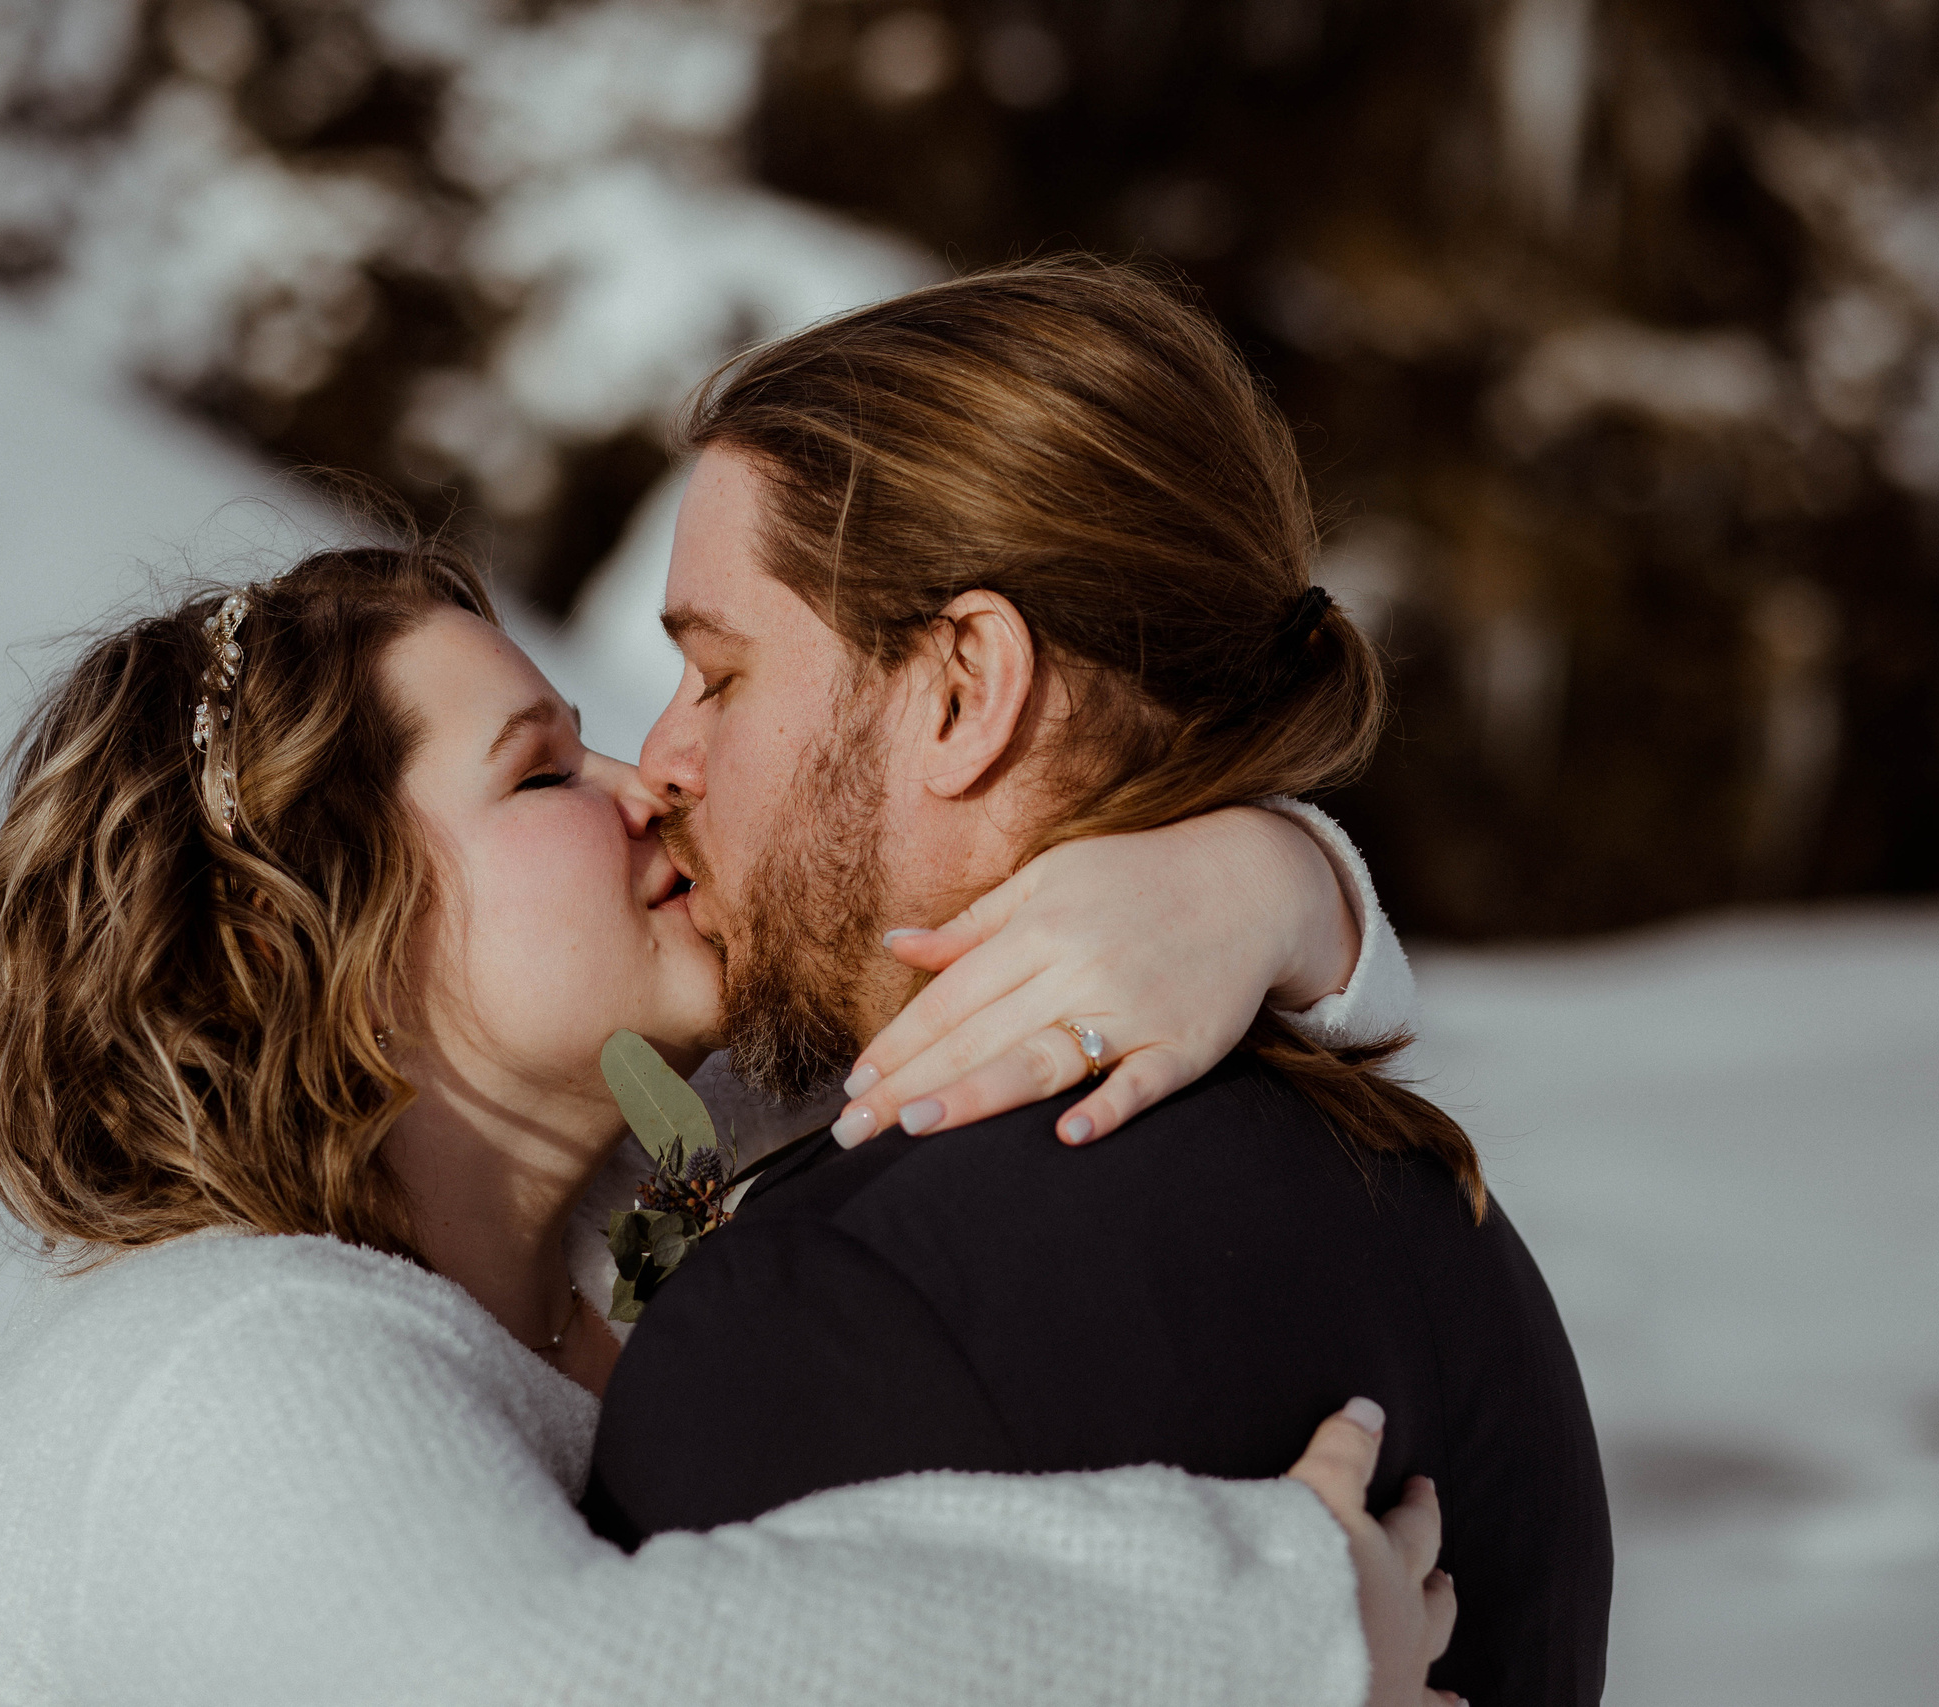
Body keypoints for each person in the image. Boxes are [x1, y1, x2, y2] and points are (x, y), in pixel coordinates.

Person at [0, 541, 1467, 1705]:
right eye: (541, 774)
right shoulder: (213, 1351)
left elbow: (1067, 977)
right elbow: (563, 1684)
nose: (647, 780)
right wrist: (1277, 1622)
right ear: (296, 932)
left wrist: (1266, 881)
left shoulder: (645, 1200)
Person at [586, 262, 1615, 1706]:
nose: (661, 758)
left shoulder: (835, 1310)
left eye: (721, 674)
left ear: (963, 687)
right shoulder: (1455, 1235)